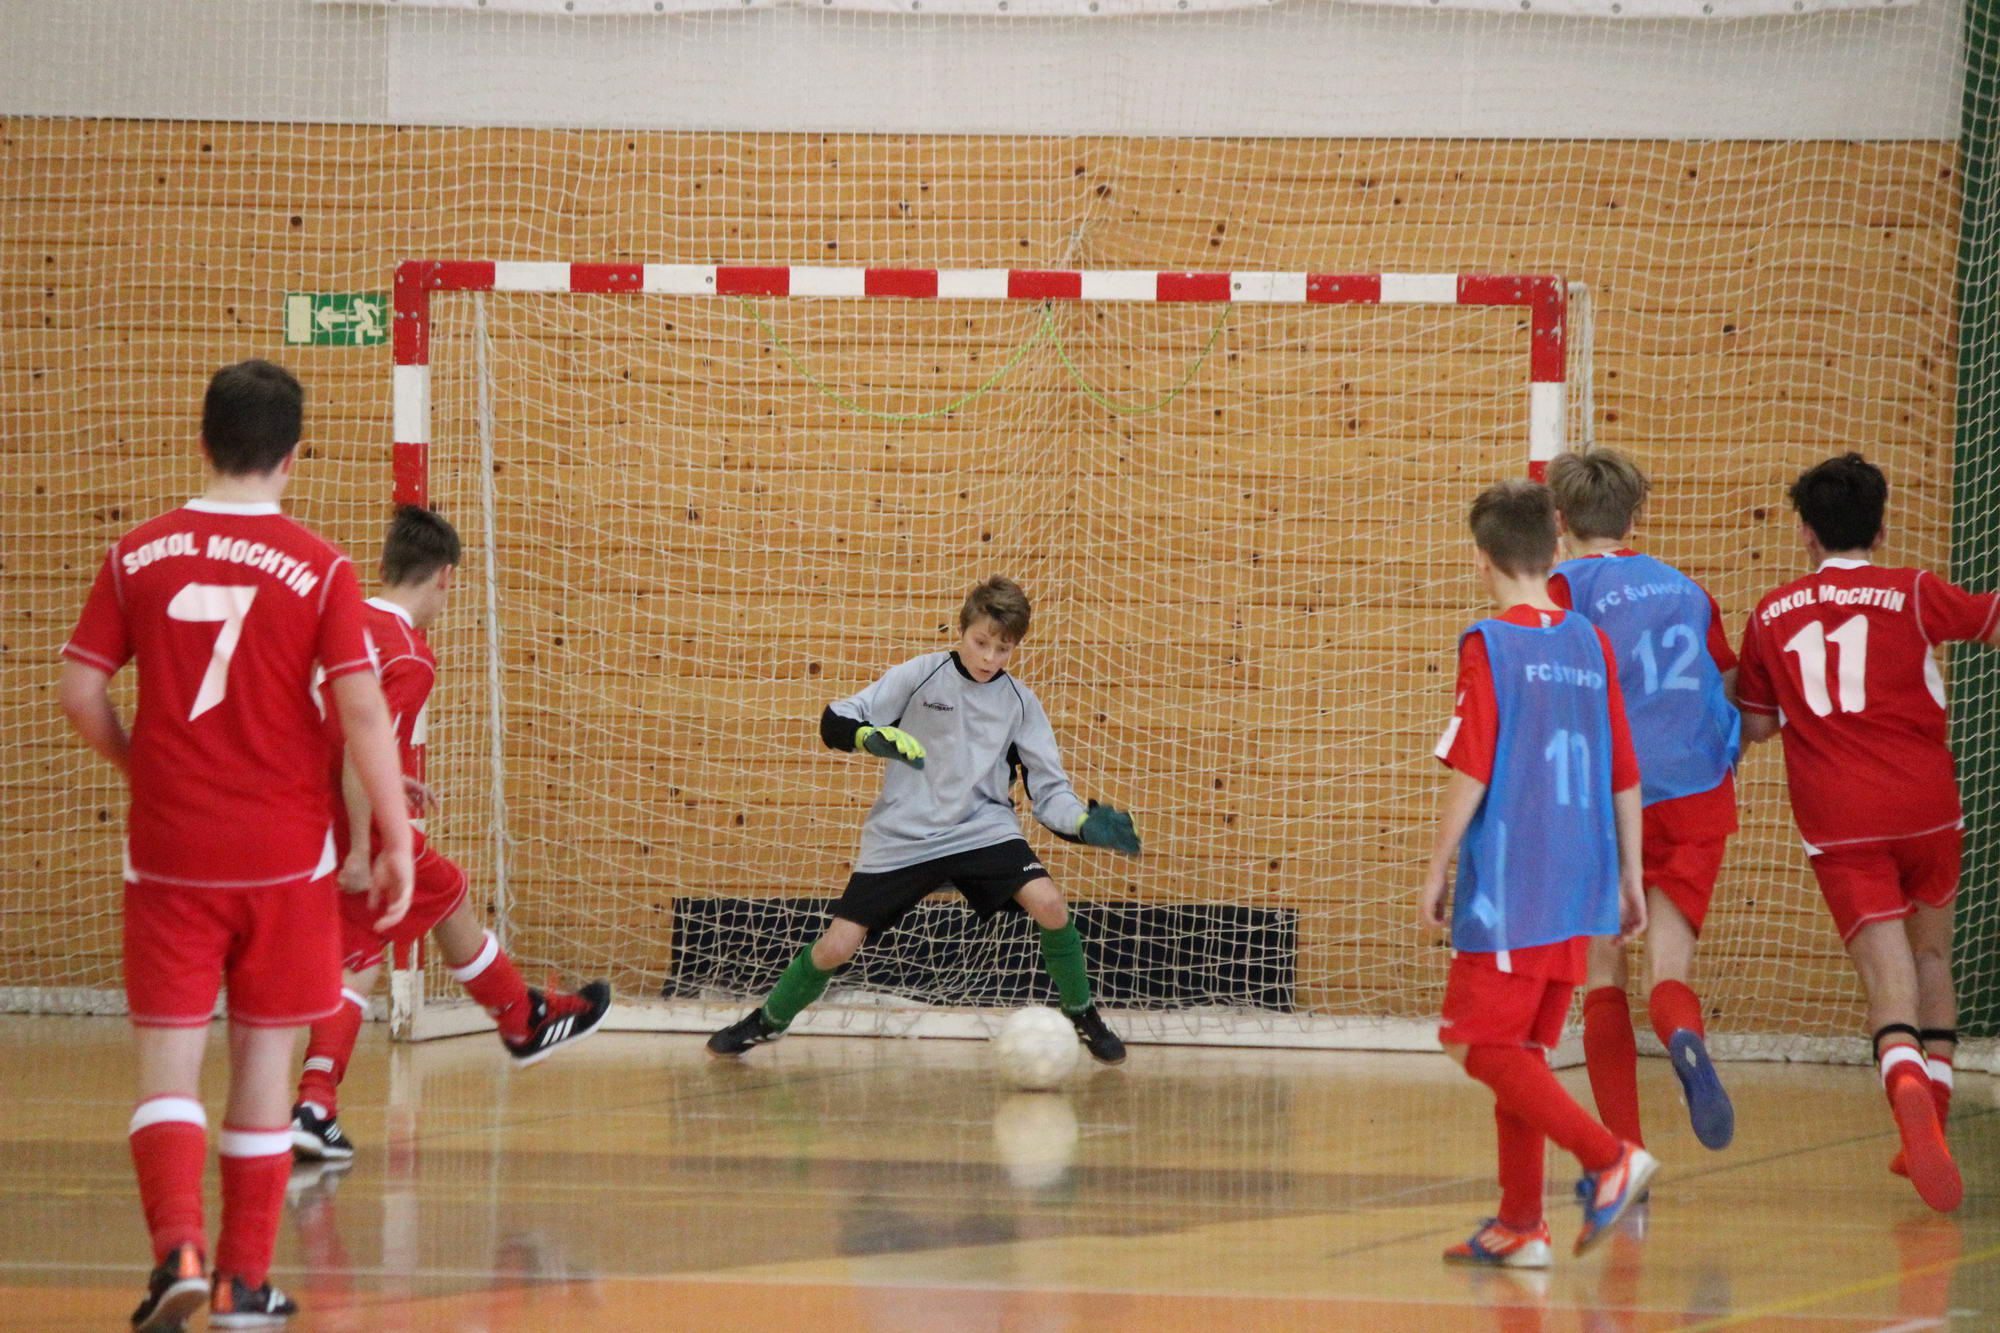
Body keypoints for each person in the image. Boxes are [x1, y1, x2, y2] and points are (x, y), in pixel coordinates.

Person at [58, 360, 414, 1331]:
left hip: (170, 854)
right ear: (293, 456)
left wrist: (141, 766)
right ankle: (241, 1285)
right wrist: (391, 832)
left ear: (202, 441)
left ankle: (177, 1250)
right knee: (262, 1073)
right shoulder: (323, 566)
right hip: (284, 858)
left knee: (166, 1072)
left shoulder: (137, 553)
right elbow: (363, 713)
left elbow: (81, 693)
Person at [288, 506, 612, 1164]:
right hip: (353, 826)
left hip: (301, 806)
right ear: (445, 577)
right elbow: (360, 747)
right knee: (365, 955)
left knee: (434, 902)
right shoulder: (410, 654)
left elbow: (326, 726)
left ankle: (520, 1017)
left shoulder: (341, 620)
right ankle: (317, 1103)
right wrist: (361, 847)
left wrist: (389, 779)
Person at [706, 576, 1141, 1062]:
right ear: (962, 630)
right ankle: (767, 1021)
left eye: (1003, 649)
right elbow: (838, 717)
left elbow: (1049, 791)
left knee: (1050, 904)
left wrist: (1082, 823)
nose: (989, 658)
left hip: (982, 829)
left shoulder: (1020, 703)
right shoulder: (920, 675)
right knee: (838, 945)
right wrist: (869, 737)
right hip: (904, 834)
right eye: (981, 642)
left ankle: (1081, 1013)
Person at [1736, 453, 1993, 1214]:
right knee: (1931, 957)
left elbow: (1756, 724)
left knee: (1888, 981)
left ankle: (1905, 1085)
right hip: (1926, 805)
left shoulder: (1771, 613)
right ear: (1881, 528)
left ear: (1805, 533)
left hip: (1840, 818)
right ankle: (1931, 1120)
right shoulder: (1913, 590)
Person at [1420, 479, 1655, 1268]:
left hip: (1514, 880)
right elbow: (1625, 770)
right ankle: (1522, 1223)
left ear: (1480, 557)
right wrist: (1630, 874)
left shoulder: (1490, 642)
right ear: (1557, 548)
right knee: (1520, 1050)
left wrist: (1436, 865)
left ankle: (1609, 1158)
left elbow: (1474, 767)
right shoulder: (1590, 641)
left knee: (1473, 1042)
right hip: (1584, 877)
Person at [1546, 449, 1741, 1153]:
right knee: (1669, 969)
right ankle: (1684, 1036)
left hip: (1605, 800)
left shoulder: (1561, 588)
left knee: (1603, 974)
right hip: (1694, 791)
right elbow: (1729, 682)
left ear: (1560, 520)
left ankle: (1625, 1154)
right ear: (1635, 517)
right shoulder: (1687, 589)